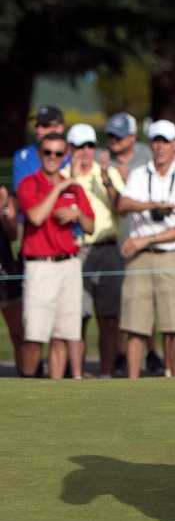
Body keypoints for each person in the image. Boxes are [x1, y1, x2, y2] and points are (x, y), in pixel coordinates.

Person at [117, 120, 175, 379]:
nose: (160, 146)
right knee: (134, 326)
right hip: (139, 258)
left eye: (166, 141)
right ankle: (132, 384)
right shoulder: (140, 174)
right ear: (150, 143)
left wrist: (147, 238)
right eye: (156, 141)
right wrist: (155, 204)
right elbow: (123, 203)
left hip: (172, 256)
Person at [15, 132, 93, 379]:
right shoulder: (29, 183)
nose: (52, 157)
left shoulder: (74, 188)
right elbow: (36, 216)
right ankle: (27, 389)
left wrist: (77, 214)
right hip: (40, 266)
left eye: (58, 153)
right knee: (34, 337)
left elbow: (90, 226)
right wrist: (59, 186)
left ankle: (55, 396)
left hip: (68, 265)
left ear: (65, 155)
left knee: (63, 335)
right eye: (48, 152)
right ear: (40, 153)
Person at [63, 124, 127, 378]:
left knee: (109, 319)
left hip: (109, 250)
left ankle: (106, 376)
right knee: (78, 318)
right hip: (78, 252)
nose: (86, 151)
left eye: (90, 145)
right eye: (80, 146)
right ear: (70, 149)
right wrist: (73, 177)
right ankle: (77, 376)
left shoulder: (109, 172)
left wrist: (106, 180)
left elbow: (120, 209)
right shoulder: (63, 174)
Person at [99, 112, 158, 375]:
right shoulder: (101, 156)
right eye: (110, 134)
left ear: (133, 137)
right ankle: (120, 355)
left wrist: (128, 182)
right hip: (115, 238)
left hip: (145, 236)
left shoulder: (147, 154)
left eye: (119, 136)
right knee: (121, 301)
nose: (113, 140)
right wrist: (112, 180)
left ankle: (153, 352)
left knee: (147, 300)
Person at [13, 106, 66, 188]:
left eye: (45, 125)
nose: (39, 130)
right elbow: (24, 193)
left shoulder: (73, 156)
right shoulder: (24, 156)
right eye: (37, 125)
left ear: (60, 128)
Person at [0, 186, 24, 360]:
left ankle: (26, 379)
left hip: (5, 271)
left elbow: (14, 234)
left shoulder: (5, 199)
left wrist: (3, 208)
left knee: (18, 333)